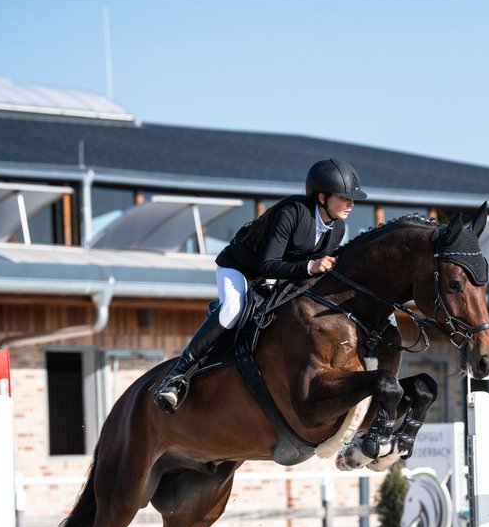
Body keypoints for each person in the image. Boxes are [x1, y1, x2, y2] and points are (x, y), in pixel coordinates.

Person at [152, 158, 368, 413]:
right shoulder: (293, 213)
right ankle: (177, 377)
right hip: (240, 268)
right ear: (322, 197)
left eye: (352, 199)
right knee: (233, 309)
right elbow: (268, 265)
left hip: (279, 277)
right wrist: (310, 267)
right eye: (345, 198)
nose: (351, 204)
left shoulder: (338, 228)